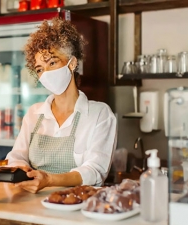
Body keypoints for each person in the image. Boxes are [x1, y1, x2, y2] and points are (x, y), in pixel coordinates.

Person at [6, 17, 117, 193]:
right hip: (32, 205)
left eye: (52, 63)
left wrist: (50, 180)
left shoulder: (100, 114)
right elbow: (17, 156)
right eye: (40, 69)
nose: (46, 73)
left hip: (77, 206)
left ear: (72, 63)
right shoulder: (34, 114)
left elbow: (96, 170)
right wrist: (22, 171)